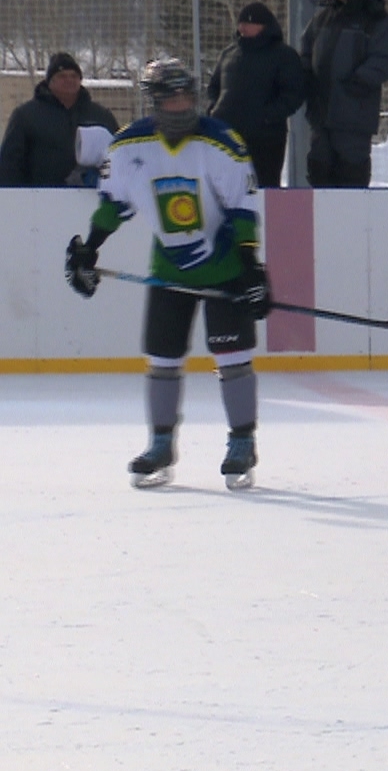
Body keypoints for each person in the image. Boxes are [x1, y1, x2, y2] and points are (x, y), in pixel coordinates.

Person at [60, 58, 269, 490]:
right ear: (153, 102)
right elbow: (115, 205)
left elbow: (242, 210)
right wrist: (90, 248)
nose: (180, 106)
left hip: (225, 267)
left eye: (186, 97)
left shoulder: (222, 143)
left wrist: (252, 268)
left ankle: (242, 441)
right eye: (171, 99)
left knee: (232, 356)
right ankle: (160, 443)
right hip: (169, 268)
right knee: (163, 357)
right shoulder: (127, 147)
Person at [299, 0, 388, 187]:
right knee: (318, 170)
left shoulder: (377, 21)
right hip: (321, 113)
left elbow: (384, 60)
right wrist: (306, 77)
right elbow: (306, 49)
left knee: (351, 174)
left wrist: (357, 82)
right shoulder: (324, 17)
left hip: (354, 114)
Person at [206, 3, 306, 188]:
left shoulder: (283, 55)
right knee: (225, 186)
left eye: (249, 22)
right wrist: (215, 109)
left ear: (264, 26)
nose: (243, 27)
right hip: (226, 134)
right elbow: (214, 87)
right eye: (241, 23)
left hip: (265, 139)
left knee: (263, 187)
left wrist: (267, 116)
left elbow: (294, 93)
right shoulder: (229, 53)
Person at [0, 52, 120, 186]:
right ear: (50, 81)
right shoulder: (25, 115)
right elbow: (9, 164)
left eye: (74, 76)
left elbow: (119, 155)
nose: (69, 80)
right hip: (40, 195)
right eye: (62, 76)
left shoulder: (101, 115)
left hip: (91, 195)